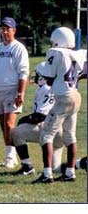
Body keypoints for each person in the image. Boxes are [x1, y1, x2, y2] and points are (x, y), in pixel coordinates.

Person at [33, 27, 85, 183]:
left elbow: (48, 76)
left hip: (63, 98)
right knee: (70, 135)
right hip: (75, 95)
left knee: (46, 135)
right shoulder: (78, 53)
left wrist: (39, 68)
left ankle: (47, 174)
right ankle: (70, 172)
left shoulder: (57, 52)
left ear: (57, 40)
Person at [0, 17, 29, 169]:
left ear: (14, 30)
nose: (5, 32)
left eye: (8, 29)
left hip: (12, 90)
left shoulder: (18, 48)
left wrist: (20, 93)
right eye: (2, 29)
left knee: (10, 125)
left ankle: (11, 158)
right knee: (3, 126)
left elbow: (24, 73)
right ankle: (10, 155)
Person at [11, 62, 64, 175]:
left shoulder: (46, 89)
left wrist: (23, 120)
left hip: (50, 130)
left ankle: (27, 166)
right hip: (61, 132)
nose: (35, 76)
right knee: (57, 169)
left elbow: (40, 116)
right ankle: (81, 163)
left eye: (38, 74)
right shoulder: (54, 86)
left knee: (16, 132)